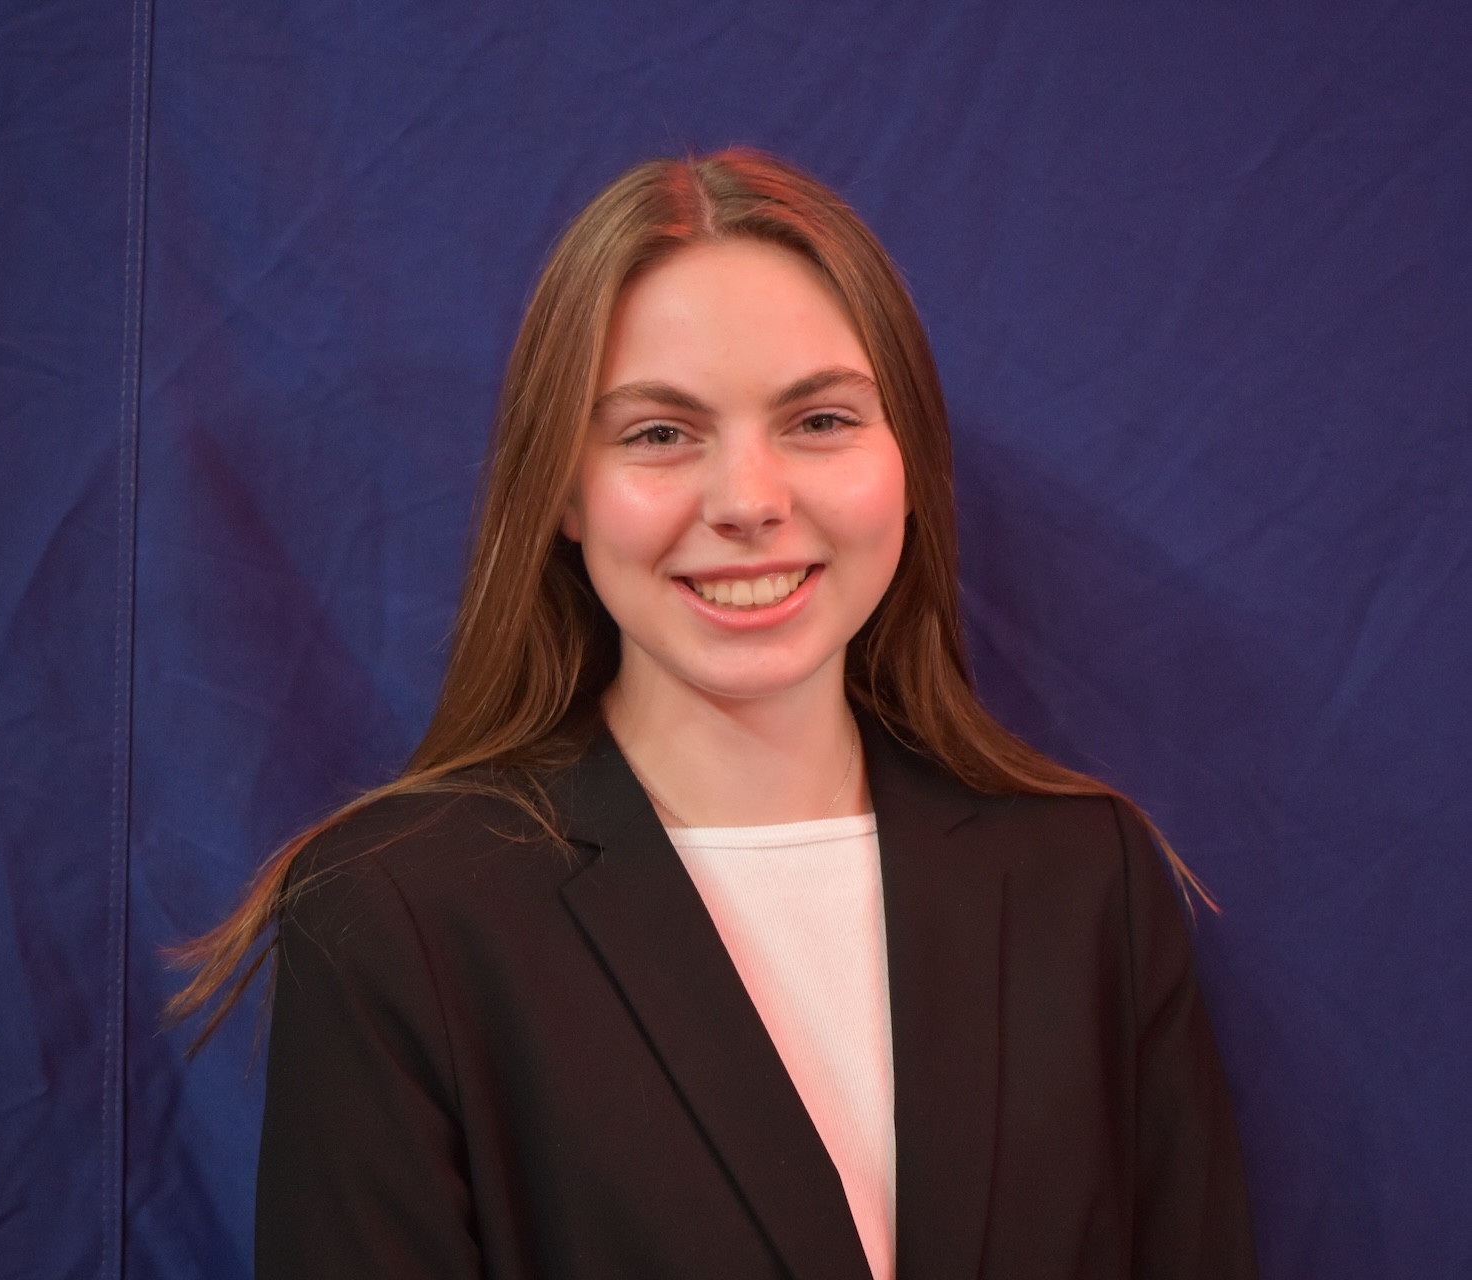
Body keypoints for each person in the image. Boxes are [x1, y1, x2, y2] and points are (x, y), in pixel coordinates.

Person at [171, 148, 1257, 1279]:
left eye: (821, 420)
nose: (750, 502)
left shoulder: (1091, 882)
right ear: (562, 493)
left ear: (908, 461)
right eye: (658, 433)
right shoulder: (392, 913)